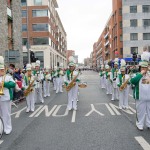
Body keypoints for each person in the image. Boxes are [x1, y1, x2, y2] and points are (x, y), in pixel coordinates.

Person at [130, 52, 150, 131]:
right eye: (142, 68)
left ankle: (149, 123)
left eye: (145, 68)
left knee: (149, 112)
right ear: (140, 68)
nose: (143, 69)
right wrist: (141, 74)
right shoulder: (137, 75)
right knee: (140, 112)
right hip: (140, 97)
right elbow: (132, 81)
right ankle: (139, 124)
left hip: (149, 97)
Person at [0, 56, 16, 134]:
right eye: (0, 69)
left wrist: (4, 84)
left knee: (6, 114)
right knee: (1, 115)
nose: (1, 71)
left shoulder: (8, 77)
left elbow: (13, 84)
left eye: (2, 69)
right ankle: (1, 128)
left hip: (6, 97)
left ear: (5, 69)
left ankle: (8, 128)